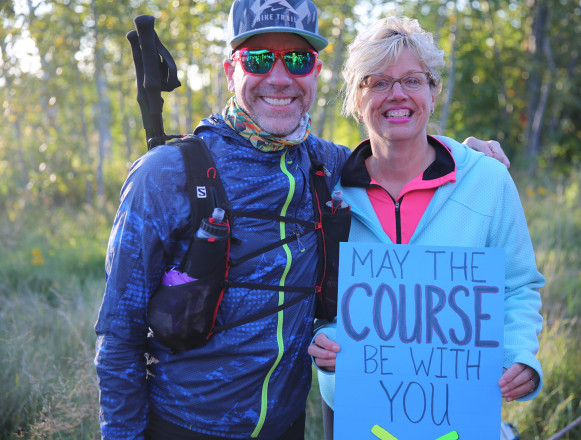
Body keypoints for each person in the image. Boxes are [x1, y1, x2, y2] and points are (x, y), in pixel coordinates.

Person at [94, 1, 508, 438]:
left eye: (297, 59)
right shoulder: (166, 173)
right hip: (183, 426)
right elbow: (118, 337)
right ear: (230, 71)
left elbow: (397, 151)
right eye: (257, 59)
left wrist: (463, 155)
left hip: (288, 426)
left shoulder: (326, 166)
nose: (279, 77)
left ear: (315, 72)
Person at [307, 16, 545, 440]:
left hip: (463, 417)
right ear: (356, 99)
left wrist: (521, 356)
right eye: (377, 82)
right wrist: (327, 342)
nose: (397, 94)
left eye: (412, 81)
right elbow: (321, 304)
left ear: (433, 92)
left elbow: (517, 286)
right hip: (360, 416)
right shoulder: (330, 193)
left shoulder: (487, 181)